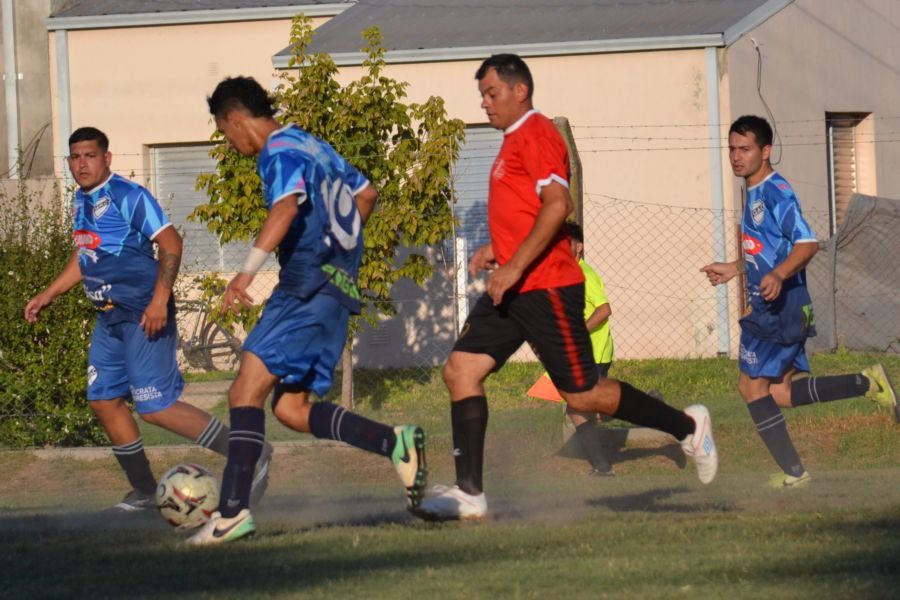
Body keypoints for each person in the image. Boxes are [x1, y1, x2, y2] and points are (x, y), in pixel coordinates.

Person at [415, 54, 718, 522]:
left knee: (583, 395)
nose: (485, 103)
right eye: (482, 95)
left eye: (492, 93)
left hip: (547, 287)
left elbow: (558, 204)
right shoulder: (511, 141)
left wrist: (514, 265)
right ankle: (469, 493)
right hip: (516, 288)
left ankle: (688, 425)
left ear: (520, 91)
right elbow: (528, 211)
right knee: (460, 371)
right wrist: (500, 248)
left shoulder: (536, 134)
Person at [188, 77, 427, 545]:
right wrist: (340, 247)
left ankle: (232, 514)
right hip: (336, 288)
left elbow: (284, 209)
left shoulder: (277, 152)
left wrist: (244, 274)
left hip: (304, 283)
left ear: (233, 119)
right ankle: (392, 443)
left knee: (244, 391)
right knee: (293, 409)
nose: (229, 142)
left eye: (224, 131)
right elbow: (367, 194)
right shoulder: (311, 143)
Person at [24, 126, 271, 513]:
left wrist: (160, 300)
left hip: (144, 315)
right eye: (74, 157)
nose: (81, 163)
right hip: (109, 319)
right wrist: (49, 293)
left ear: (107, 158)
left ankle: (249, 450)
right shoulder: (81, 201)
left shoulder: (128, 195)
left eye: (90, 155)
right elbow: (87, 254)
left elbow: (171, 242)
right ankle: (143, 490)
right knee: (104, 401)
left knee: (154, 407)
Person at [701, 115, 898, 488]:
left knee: (751, 388)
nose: (736, 157)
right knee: (779, 393)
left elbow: (806, 243)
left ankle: (795, 473)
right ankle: (864, 383)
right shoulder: (755, 192)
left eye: (745, 149)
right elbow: (769, 251)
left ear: (766, 151)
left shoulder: (776, 191)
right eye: (731, 149)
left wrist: (777, 276)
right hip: (782, 304)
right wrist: (736, 267)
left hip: (779, 306)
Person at [564, 222, 616, 476]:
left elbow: (604, 309)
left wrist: (579, 331)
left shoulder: (584, 273)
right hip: (583, 352)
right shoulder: (570, 274)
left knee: (580, 407)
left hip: (594, 351)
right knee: (583, 407)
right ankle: (602, 466)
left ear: (579, 246)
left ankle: (602, 467)